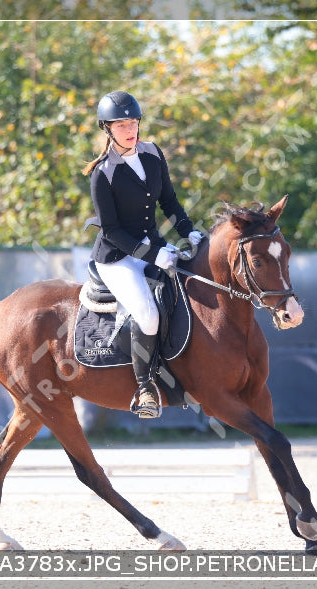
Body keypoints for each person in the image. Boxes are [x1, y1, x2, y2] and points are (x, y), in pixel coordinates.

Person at [81, 90, 204, 418]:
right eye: (121, 124)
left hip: (154, 246)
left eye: (133, 121)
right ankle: (146, 385)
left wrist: (187, 229)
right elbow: (112, 232)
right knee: (148, 314)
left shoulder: (152, 153)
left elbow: (169, 201)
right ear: (107, 129)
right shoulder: (103, 174)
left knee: (192, 289)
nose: (130, 128)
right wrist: (153, 256)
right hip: (117, 258)